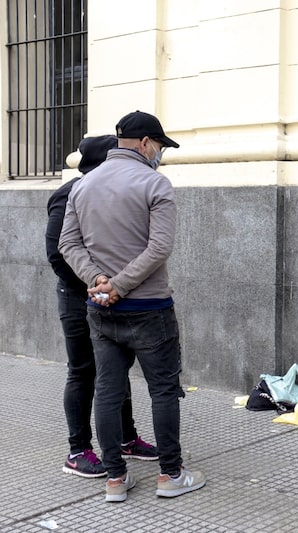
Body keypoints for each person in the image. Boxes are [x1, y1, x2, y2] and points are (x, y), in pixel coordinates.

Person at [59, 111, 205, 503]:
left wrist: (98, 282)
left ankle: (115, 480)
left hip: (102, 309)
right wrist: (119, 286)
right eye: (159, 146)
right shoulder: (155, 183)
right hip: (149, 308)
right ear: (144, 144)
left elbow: (67, 245)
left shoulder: (83, 185)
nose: (160, 153)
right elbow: (159, 247)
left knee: (107, 391)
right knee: (163, 391)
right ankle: (171, 474)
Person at [46, 135, 158, 478]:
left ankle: (125, 438)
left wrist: (114, 288)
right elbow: (58, 253)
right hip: (80, 297)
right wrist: (97, 286)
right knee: (82, 370)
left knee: (114, 369)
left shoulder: (115, 189)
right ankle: (77, 450)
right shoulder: (70, 193)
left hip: (113, 295)